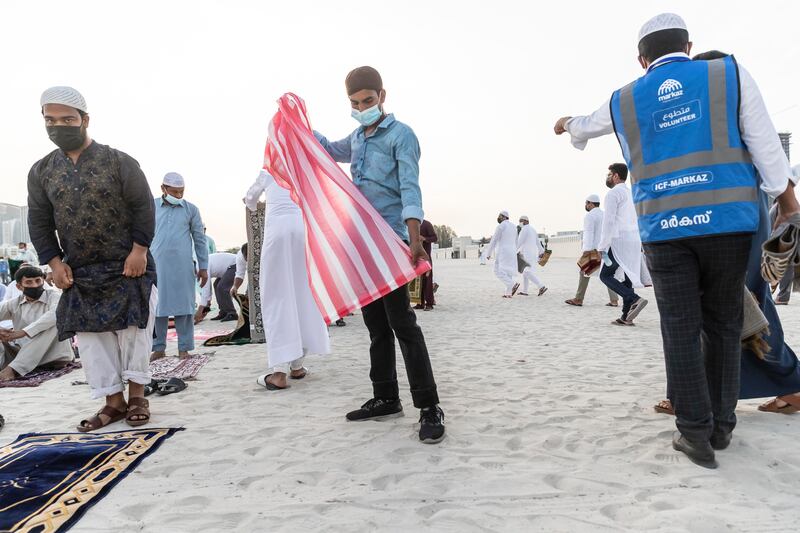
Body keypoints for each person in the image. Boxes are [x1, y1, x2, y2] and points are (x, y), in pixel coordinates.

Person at [554, 14, 800, 468]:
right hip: (728, 223)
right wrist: (786, 201)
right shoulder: (727, 73)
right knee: (725, 325)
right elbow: (766, 144)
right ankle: (722, 426)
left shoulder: (625, 98)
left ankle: (694, 434)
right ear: (688, 45)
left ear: (641, 58)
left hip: (665, 231)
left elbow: (586, 125)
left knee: (681, 330)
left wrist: (567, 123)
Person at [314, 65, 445, 443]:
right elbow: (327, 150)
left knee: (402, 322)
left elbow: (410, 187)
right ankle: (385, 396)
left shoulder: (401, 136)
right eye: (355, 103)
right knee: (374, 324)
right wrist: (299, 124)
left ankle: (429, 405)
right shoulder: (357, 137)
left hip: (391, 239)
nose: (362, 107)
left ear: (382, 96)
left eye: (368, 100)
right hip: (362, 242)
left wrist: (414, 237)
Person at [28, 86, 157, 431]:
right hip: (79, 271)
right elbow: (39, 221)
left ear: (85, 120)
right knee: (92, 340)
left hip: (127, 265)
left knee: (134, 333)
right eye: (50, 120)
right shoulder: (41, 171)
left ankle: (137, 398)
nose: (59, 126)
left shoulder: (119, 161)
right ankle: (112, 404)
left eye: (67, 119)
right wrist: (54, 263)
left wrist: (139, 250)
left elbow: (143, 206)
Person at [245, 170, 330, 390]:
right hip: (303, 233)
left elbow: (251, 199)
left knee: (277, 297)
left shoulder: (269, 170)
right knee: (303, 295)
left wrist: (251, 201)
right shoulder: (300, 168)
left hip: (278, 235)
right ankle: (297, 366)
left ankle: (279, 372)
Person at [150, 172, 209, 361]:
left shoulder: (191, 210)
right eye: (174, 192)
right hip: (156, 265)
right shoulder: (150, 207)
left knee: (184, 307)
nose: (178, 196)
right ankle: (158, 348)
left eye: (181, 192)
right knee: (158, 307)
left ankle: (184, 348)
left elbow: (200, 240)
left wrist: (204, 266)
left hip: (183, 265)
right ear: (163, 189)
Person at [595, 164, 648, 325]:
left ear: (616, 176)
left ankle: (633, 298)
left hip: (619, 240)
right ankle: (626, 316)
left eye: (609, 174)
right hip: (634, 240)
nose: (608, 177)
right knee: (627, 277)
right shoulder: (632, 194)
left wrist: (602, 246)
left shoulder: (613, 193)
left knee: (605, 275)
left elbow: (609, 221)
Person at [0, 266, 74, 381]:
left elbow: (55, 315)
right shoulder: (14, 303)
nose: (34, 285)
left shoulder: (55, 297)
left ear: (43, 281)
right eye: (29, 282)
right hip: (21, 353)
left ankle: (13, 370)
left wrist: (23, 332)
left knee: (54, 324)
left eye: (38, 281)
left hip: (53, 356)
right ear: (19, 286)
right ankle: (9, 367)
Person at [566, 195, 619, 307]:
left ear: (591, 203)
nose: (585, 205)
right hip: (605, 249)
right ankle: (614, 300)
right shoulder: (605, 214)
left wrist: (586, 249)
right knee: (608, 274)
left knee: (583, 271)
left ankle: (578, 299)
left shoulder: (590, 216)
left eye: (586, 203)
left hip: (594, 250)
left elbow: (588, 233)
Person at [484, 211, 520, 298]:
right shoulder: (513, 226)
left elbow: (494, 240)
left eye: (500, 216)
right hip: (512, 251)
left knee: (496, 270)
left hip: (503, 251)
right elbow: (516, 241)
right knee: (508, 271)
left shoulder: (501, 226)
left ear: (504, 217)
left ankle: (512, 284)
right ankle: (508, 293)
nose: (498, 218)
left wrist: (488, 253)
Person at [196, 252, 238, 323]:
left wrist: (200, 310)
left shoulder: (200, 267)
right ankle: (223, 312)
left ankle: (232, 313)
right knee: (216, 285)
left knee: (221, 287)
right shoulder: (196, 267)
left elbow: (206, 287)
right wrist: (207, 305)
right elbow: (206, 287)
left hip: (235, 264)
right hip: (227, 268)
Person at [516, 215, 548, 296]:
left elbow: (519, 242)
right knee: (525, 272)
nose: (520, 223)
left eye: (521, 221)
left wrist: (513, 251)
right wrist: (542, 252)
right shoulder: (533, 229)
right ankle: (525, 291)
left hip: (527, 254)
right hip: (533, 254)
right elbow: (538, 242)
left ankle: (541, 286)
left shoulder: (524, 229)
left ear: (526, 221)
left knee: (526, 272)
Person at [415, 219, 437, 310]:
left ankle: (429, 304)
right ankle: (420, 303)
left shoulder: (427, 224)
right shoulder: (411, 225)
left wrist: (424, 238)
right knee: (418, 281)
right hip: (416, 257)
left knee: (428, 281)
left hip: (426, 257)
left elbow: (435, 238)